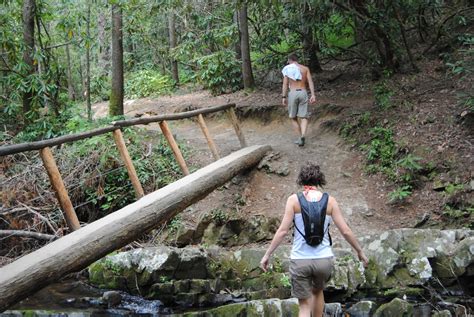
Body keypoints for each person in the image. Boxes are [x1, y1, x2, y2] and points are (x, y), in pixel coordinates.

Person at [260, 163, 368, 317]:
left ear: (301, 181)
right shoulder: (330, 201)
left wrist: (267, 254)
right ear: (319, 180)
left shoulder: (293, 200)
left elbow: (282, 231)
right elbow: (345, 230)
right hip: (323, 259)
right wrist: (360, 251)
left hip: (300, 260)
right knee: (318, 292)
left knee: (304, 305)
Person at [281, 54, 316, 147]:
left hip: (293, 92)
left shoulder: (287, 69)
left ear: (290, 60)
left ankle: (300, 137)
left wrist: (283, 97)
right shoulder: (305, 68)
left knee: (293, 117)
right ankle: (303, 135)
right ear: (297, 60)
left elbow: (285, 84)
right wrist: (313, 95)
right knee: (304, 117)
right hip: (303, 92)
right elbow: (310, 82)